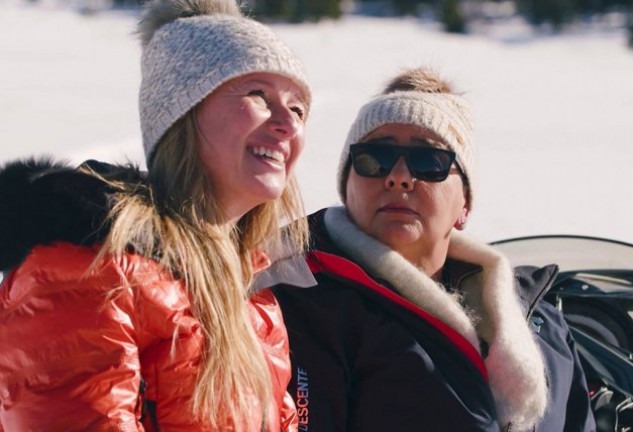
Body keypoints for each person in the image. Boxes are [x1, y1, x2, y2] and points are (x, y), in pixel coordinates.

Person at [0, 0, 311, 430]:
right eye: (259, 95)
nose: (288, 125)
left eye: (298, 109)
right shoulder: (90, 271)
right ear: (182, 112)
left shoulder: (256, 298)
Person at [269, 67, 596, 431]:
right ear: (348, 188)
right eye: (374, 156)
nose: (399, 176)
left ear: (465, 204)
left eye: (429, 161)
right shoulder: (301, 307)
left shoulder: (542, 323)